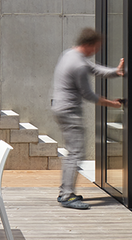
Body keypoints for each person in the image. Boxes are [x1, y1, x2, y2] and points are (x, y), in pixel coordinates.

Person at [51, 28, 124, 209]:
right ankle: (66, 195)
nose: (97, 51)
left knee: (73, 151)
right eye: (97, 47)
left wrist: (116, 72)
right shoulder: (79, 65)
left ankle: (66, 191)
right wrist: (112, 104)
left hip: (59, 107)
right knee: (76, 152)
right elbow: (89, 95)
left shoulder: (69, 54)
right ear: (89, 45)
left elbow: (94, 68)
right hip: (69, 111)